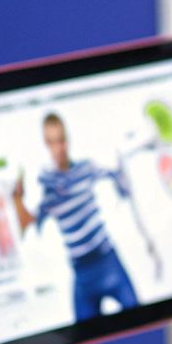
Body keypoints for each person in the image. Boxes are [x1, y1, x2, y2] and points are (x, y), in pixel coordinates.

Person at [12, 112, 143, 319]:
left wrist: (123, 164)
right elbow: (29, 223)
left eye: (61, 140)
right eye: (52, 142)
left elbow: (120, 181)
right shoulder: (48, 184)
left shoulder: (85, 168)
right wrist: (17, 199)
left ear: (68, 139)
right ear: (46, 145)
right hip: (81, 272)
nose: (58, 148)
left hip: (107, 259)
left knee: (140, 319)